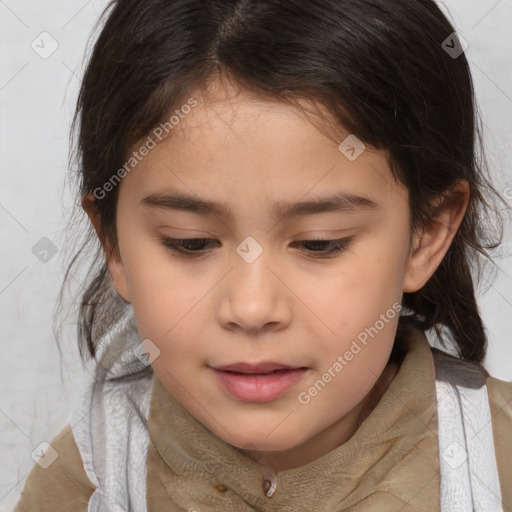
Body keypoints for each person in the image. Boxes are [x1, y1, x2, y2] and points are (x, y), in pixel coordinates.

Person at [14, 0, 512, 510]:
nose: (252, 309)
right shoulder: (84, 481)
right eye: (190, 242)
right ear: (114, 245)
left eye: (320, 243)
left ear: (426, 234)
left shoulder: (499, 460)